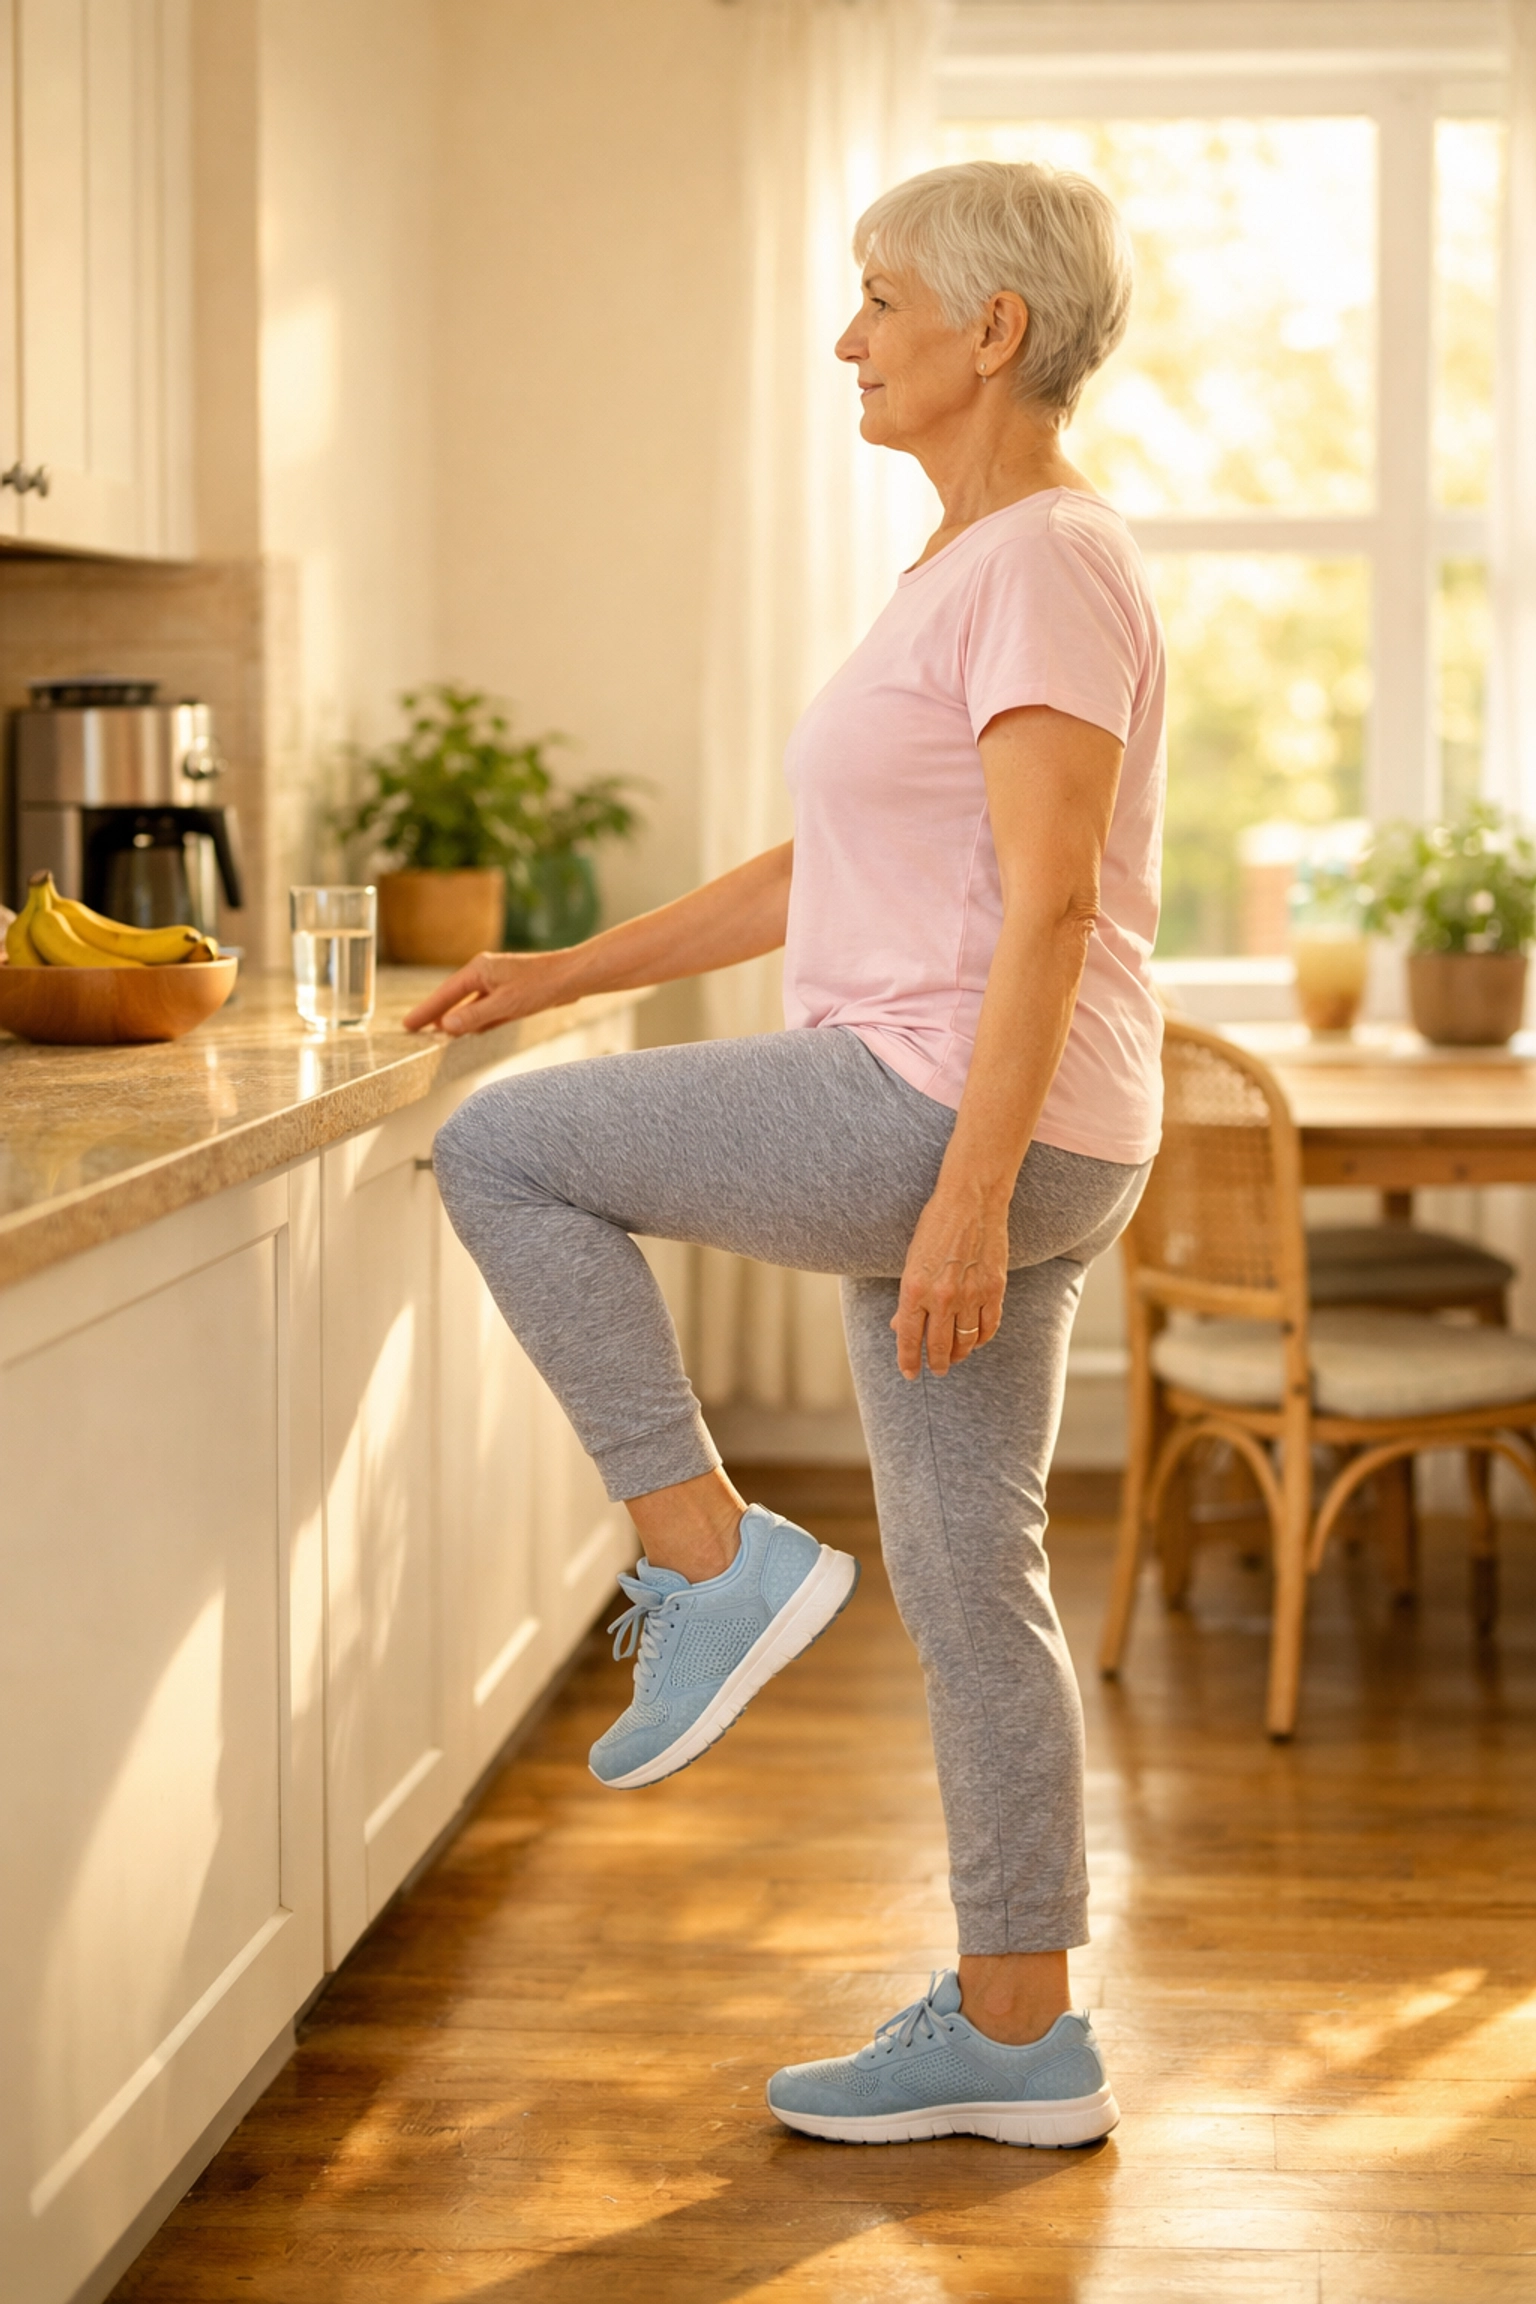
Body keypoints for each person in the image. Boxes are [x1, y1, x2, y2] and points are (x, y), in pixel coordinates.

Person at [410, 158, 1164, 2150]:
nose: (851, 333)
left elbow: (1055, 900)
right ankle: (1021, 2034)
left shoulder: (1047, 562)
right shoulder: (968, 565)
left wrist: (968, 1194)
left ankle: (710, 1562)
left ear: (989, 332)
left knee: (505, 1158)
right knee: (962, 1565)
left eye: (881, 296)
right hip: (1001, 1115)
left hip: (946, 1107)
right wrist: (577, 960)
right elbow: (820, 866)